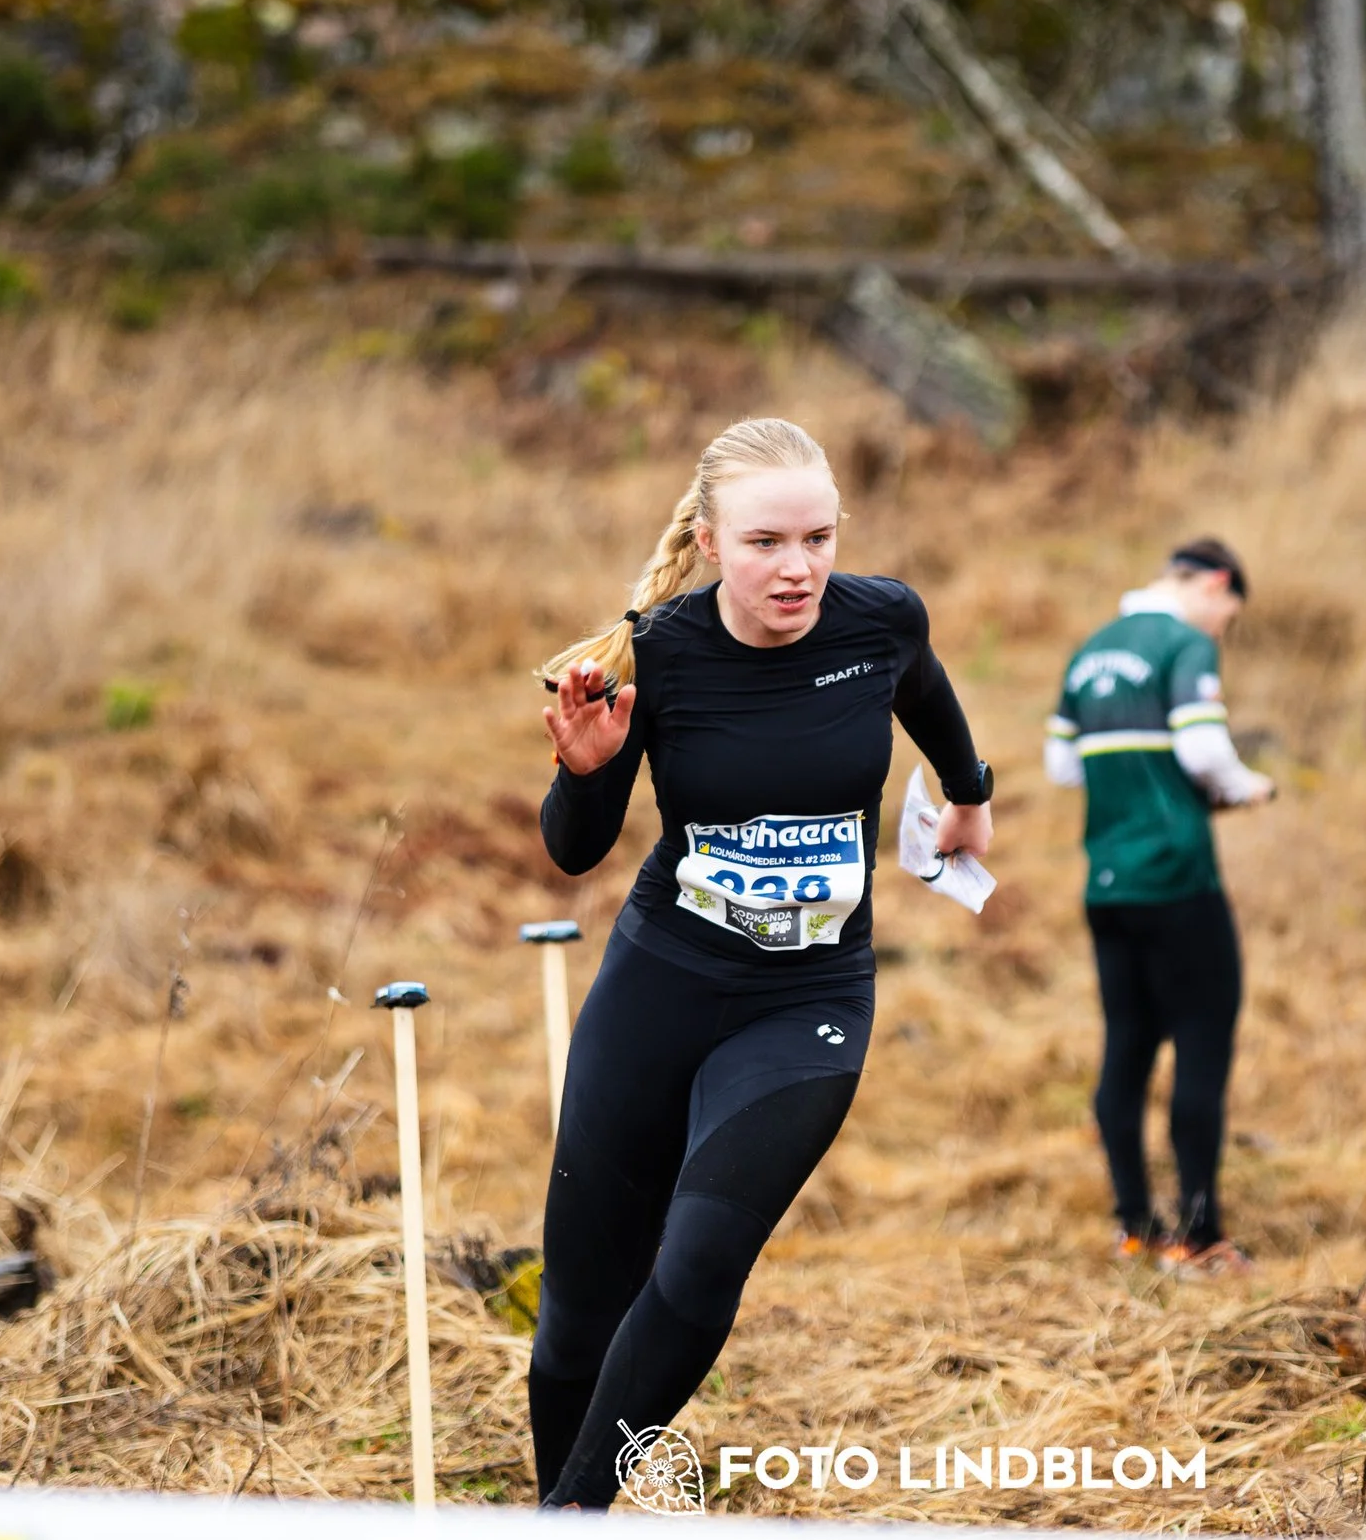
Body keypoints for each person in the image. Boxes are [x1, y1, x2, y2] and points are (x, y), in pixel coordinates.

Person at [528, 417, 995, 1510]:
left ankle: (568, 1518)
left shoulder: (879, 619)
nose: (797, 569)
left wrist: (967, 793)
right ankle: (563, 1500)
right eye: (766, 542)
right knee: (575, 1321)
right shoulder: (658, 652)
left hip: (807, 1000)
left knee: (694, 1267)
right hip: (661, 983)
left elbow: (922, 686)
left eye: (819, 538)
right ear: (707, 538)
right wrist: (587, 773)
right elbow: (572, 850)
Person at [1043, 538, 1273, 1279]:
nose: (1222, 629)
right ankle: (1199, 1236)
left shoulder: (1091, 650)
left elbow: (1061, 764)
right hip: (1178, 877)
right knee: (1202, 1045)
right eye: (1228, 613)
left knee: (1126, 1046)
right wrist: (1247, 787)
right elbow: (1204, 752)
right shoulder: (1184, 644)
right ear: (1215, 584)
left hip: (1108, 883)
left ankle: (1135, 1227)